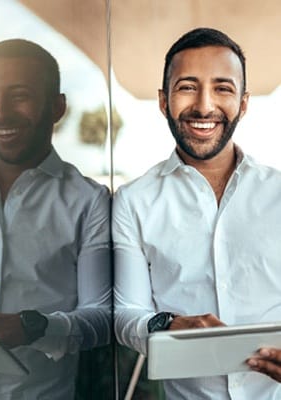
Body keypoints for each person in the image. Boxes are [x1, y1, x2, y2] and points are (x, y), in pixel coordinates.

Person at [113, 27, 281, 399]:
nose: (204, 106)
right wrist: (167, 324)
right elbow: (126, 315)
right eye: (187, 86)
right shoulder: (133, 201)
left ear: (244, 102)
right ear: (163, 100)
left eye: (223, 88)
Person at [0, 39, 111, 399]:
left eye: (19, 95)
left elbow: (102, 317)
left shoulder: (89, 202)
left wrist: (35, 327)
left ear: (57, 107)